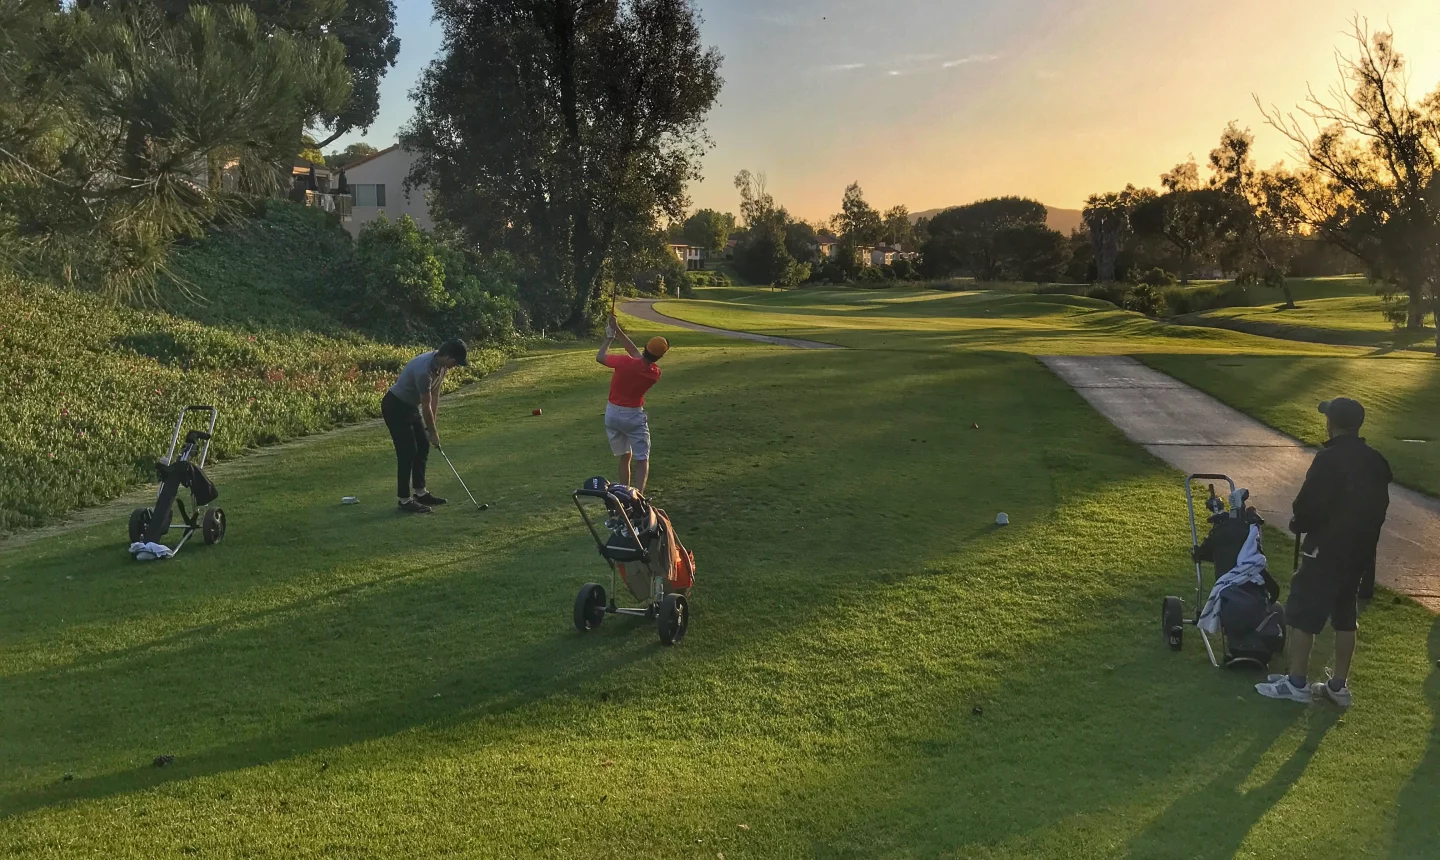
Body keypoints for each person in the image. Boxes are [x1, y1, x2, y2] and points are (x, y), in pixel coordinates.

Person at [1256, 397, 1391, 708]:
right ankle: (1338, 686)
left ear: (1331, 423)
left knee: (1303, 611)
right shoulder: (1376, 460)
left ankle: (1297, 683)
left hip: (1326, 547)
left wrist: (1298, 522)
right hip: (1360, 551)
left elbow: (1308, 506)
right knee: (1345, 615)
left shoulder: (1328, 460)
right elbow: (1380, 507)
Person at [382, 339, 469, 513]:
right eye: (455, 361)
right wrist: (434, 433)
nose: (456, 365)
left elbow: (435, 397)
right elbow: (426, 405)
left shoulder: (442, 367)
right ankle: (404, 500)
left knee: (422, 446)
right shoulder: (424, 371)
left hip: (410, 406)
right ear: (446, 356)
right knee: (408, 451)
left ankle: (420, 493)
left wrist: (431, 428)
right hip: (395, 406)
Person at [596, 312, 668, 493]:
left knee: (624, 456)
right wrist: (618, 330)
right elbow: (638, 356)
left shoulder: (624, 362)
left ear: (645, 348)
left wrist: (609, 337)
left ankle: (625, 492)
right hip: (633, 416)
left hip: (612, 414)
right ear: (659, 357)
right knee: (642, 459)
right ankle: (639, 497)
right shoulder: (654, 373)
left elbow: (600, 357)